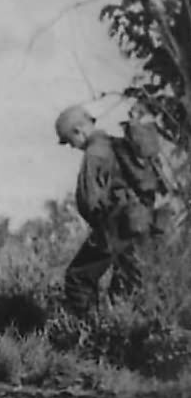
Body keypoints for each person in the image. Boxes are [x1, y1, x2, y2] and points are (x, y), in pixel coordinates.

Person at [54, 105, 162, 314]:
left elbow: (89, 201)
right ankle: (128, 333)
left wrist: (100, 230)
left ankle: (85, 333)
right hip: (141, 220)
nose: (72, 146)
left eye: (69, 141)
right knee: (128, 283)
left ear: (79, 131)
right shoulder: (117, 144)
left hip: (116, 222)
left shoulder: (95, 153)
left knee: (78, 277)